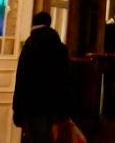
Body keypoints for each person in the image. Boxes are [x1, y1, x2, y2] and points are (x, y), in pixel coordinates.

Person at [12, 11, 73, 143]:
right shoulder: (60, 48)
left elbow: (22, 79)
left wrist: (17, 109)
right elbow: (66, 79)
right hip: (56, 101)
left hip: (34, 102)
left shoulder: (30, 46)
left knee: (38, 136)